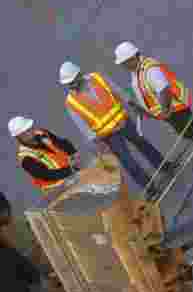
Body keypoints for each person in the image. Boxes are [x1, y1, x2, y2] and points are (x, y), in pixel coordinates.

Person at [59, 61, 177, 198]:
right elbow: (82, 127)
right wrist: (98, 144)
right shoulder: (70, 102)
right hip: (108, 136)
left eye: (73, 81)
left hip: (123, 121)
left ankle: (164, 166)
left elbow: (117, 90)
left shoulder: (97, 78)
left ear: (79, 75)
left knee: (142, 143)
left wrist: (133, 105)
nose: (71, 85)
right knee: (128, 162)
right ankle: (149, 187)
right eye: (69, 83)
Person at [114, 41, 193, 167]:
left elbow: (163, 89)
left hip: (175, 107)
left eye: (124, 63)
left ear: (132, 58)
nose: (123, 66)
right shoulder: (136, 72)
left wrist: (165, 109)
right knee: (188, 132)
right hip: (169, 110)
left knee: (190, 131)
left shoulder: (149, 69)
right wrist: (145, 110)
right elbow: (145, 92)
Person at [8, 116, 82, 202]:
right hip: (57, 191)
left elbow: (62, 143)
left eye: (30, 129)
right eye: (25, 133)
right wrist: (71, 170)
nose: (30, 133)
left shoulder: (42, 133)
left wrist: (73, 153)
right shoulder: (25, 157)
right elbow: (46, 175)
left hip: (73, 176)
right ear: (18, 138)